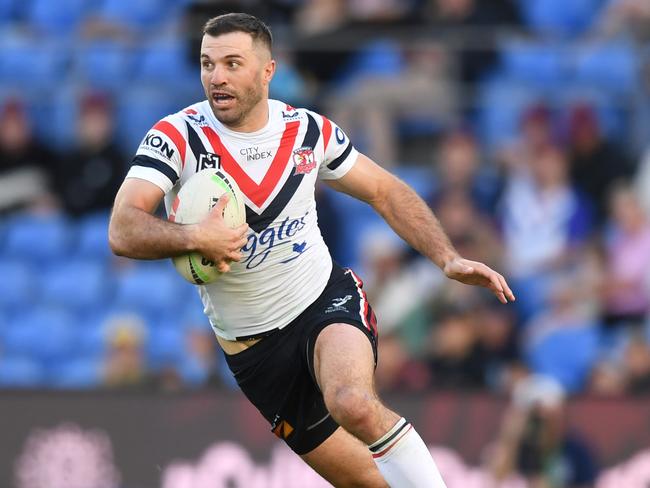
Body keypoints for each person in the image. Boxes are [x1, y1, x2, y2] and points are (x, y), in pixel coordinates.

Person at [108, 13, 514, 487]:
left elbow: (384, 190)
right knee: (370, 482)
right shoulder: (178, 136)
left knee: (353, 403)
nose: (217, 76)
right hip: (255, 353)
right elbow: (122, 229)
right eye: (207, 64)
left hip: (323, 302)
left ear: (267, 71)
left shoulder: (308, 132)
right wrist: (195, 236)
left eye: (232, 63)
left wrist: (446, 256)